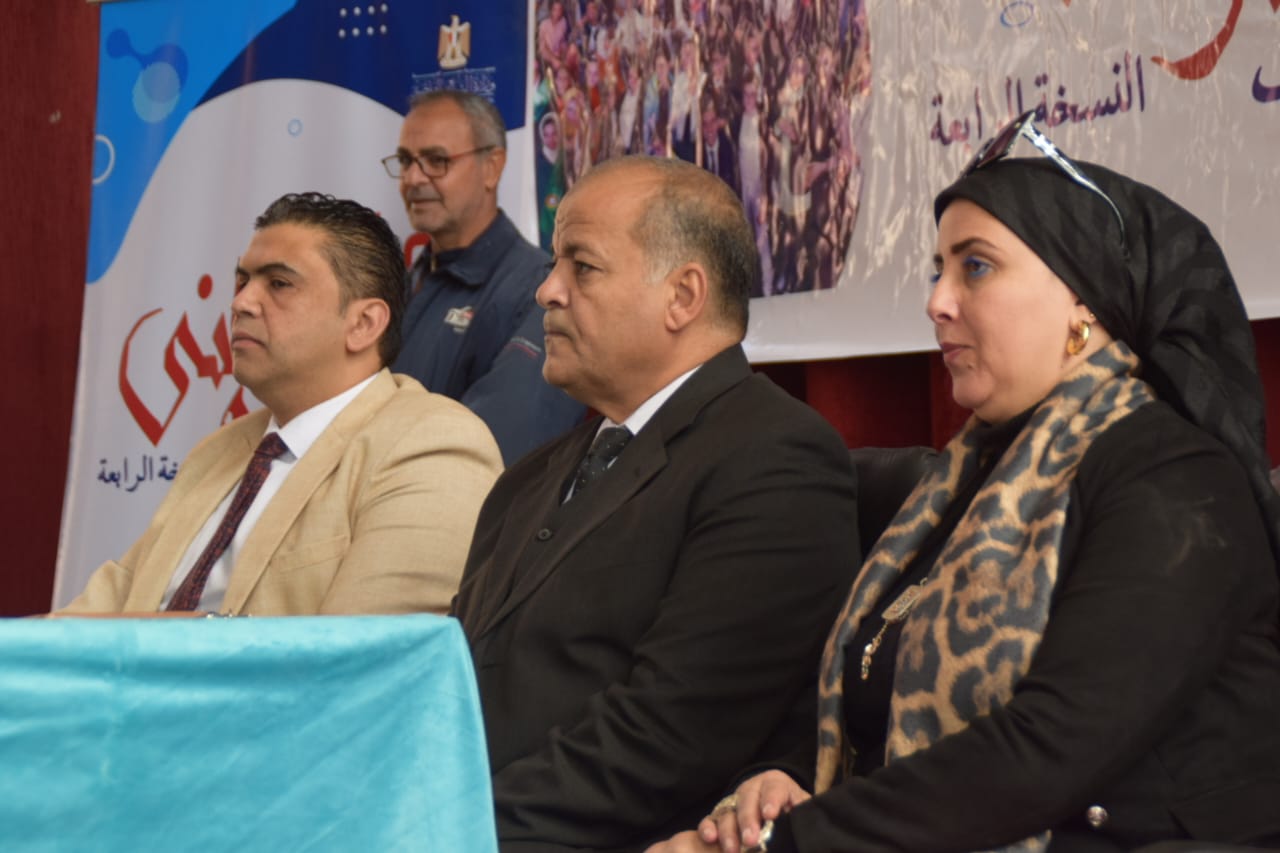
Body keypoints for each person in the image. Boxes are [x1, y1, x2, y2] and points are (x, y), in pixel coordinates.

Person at [651, 113, 1280, 852]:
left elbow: (1049, 750)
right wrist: (786, 774)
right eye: (938, 270)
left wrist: (786, 845)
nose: (938, 301)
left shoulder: (1176, 478)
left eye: (975, 267)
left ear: (1084, 301)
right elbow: (875, 687)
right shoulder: (965, 481)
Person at [451, 155, 860, 851]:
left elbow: (667, 737)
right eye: (554, 264)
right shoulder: (527, 478)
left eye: (582, 266)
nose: (547, 290)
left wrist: (441, 826)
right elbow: (453, 686)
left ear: (683, 296)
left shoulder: (775, 459)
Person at [61, 192, 503, 616]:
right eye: (242, 281)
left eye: (278, 284)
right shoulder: (216, 453)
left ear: (364, 324)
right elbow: (99, 610)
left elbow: (364, 655)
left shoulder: (431, 444)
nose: (241, 302)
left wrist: (178, 635)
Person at [384, 90, 586, 466]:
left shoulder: (540, 292)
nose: (413, 178)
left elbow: (494, 452)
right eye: (406, 161)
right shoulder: (404, 282)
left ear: (492, 166)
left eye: (436, 160)